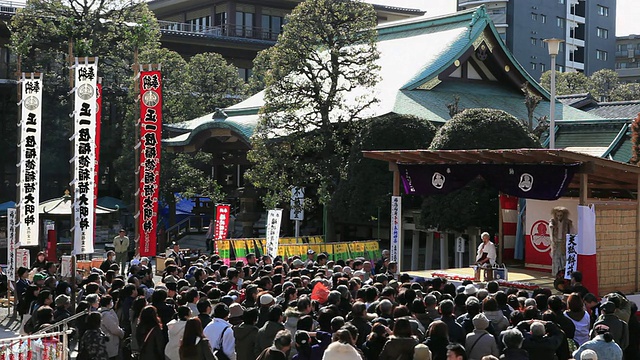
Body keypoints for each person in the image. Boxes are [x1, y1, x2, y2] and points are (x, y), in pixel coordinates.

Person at [98, 295, 125, 360]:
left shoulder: (100, 312)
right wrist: (122, 333)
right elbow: (114, 329)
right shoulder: (106, 315)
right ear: (108, 303)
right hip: (110, 341)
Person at [549, 207, 574, 276]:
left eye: (560, 215)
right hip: (556, 243)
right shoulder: (553, 221)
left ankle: (563, 274)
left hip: (564, 243)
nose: (559, 217)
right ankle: (555, 274)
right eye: (557, 215)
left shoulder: (568, 223)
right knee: (556, 259)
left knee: (563, 260)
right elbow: (550, 228)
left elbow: (572, 232)